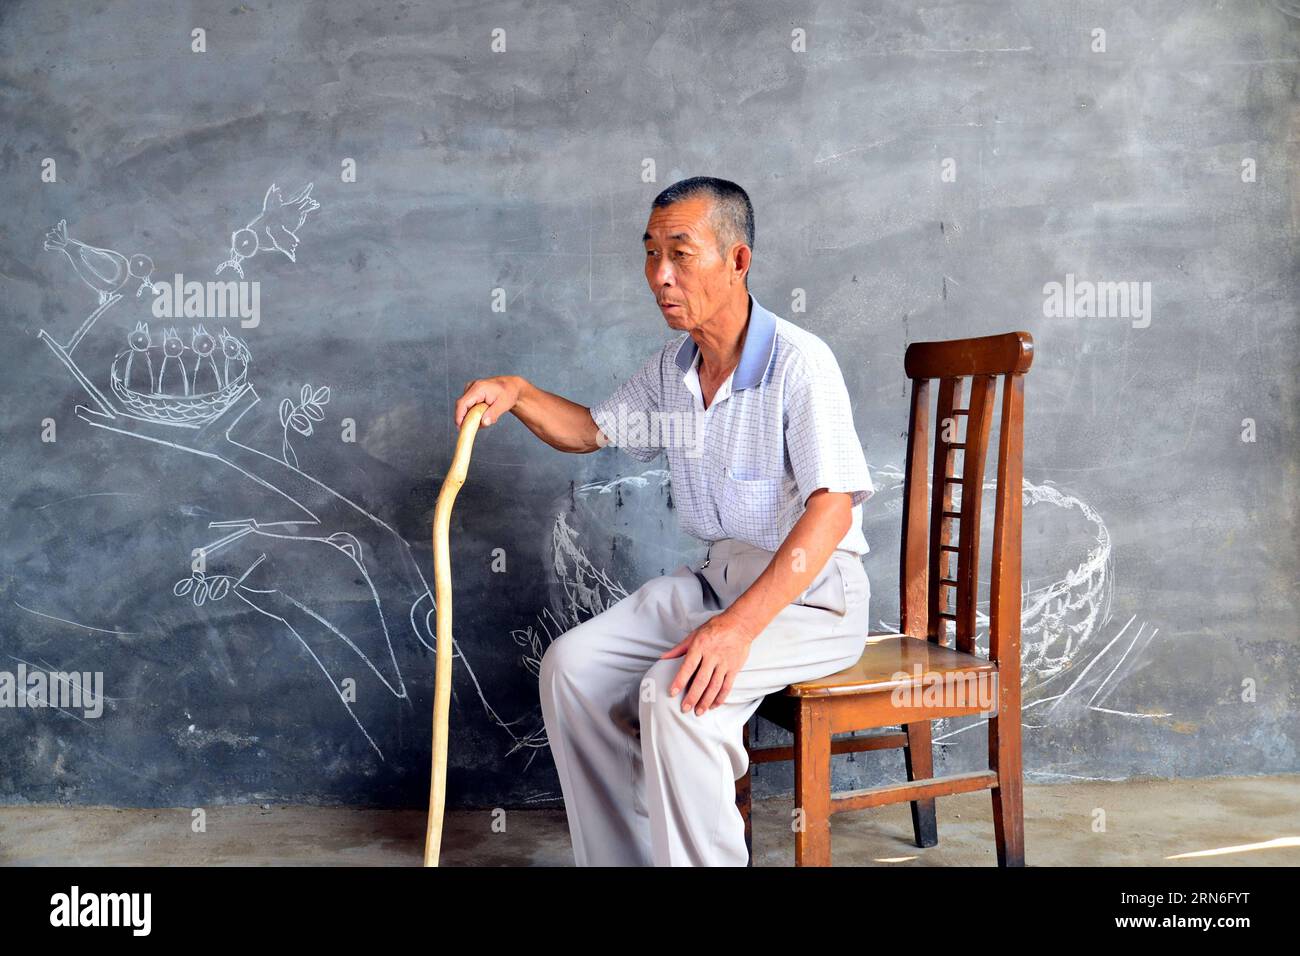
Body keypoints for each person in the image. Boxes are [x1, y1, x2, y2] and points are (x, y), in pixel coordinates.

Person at [453, 176, 874, 866]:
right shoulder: (673, 370)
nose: (659, 275)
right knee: (572, 667)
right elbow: (590, 430)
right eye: (651, 254)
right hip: (718, 581)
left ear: (738, 261)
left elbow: (831, 510)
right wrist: (519, 393)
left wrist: (738, 630)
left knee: (676, 698)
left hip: (811, 596)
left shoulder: (800, 364)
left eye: (680, 253)